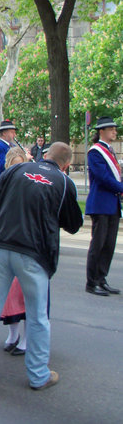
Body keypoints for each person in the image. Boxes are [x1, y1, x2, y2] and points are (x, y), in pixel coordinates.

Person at [0, 142, 83, 391]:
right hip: (34, 253)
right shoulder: (63, 182)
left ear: (45, 154)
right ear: (66, 165)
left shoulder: (16, 170)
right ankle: (38, 375)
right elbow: (74, 224)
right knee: (37, 317)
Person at [84, 116, 123, 296]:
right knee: (98, 244)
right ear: (102, 131)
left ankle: (102, 278)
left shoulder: (109, 150)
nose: (115, 132)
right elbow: (102, 177)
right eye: (111, 129)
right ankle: (92, 282)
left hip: (112, 204)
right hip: (100, 204)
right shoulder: (95, 152)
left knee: (109, 244)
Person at [0, 146, 29, 356]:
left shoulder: (32, 184)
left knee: (27, 293)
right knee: (10, 291)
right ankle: (13, 333)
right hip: (8, 240)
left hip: (27, 243)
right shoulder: (4, 183)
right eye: (14, 166)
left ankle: (27, 338)